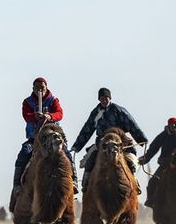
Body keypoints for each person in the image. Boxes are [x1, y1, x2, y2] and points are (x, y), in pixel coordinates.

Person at [11, 77, 78, 209]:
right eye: (37, 87)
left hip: (52, 135)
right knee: (24, 152)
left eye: (42, 87)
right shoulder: (27, 102)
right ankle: (17, 185)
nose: (40, 90)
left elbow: (60, 113)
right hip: (34, 138)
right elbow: (26, 115)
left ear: (46, 87)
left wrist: (50, 116)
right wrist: (34, 116)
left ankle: (73, 180)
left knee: (65, 152)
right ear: (33, 88)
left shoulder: (53, 100)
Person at [70, 87, 148, 191]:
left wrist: (141, 138)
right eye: (102, 98)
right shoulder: (96, 113)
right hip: (102, 144)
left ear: (110, 98)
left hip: (120, 142)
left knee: (131, 162)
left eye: (106, 98)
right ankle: (86, 183)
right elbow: (87, 129)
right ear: (99, 99)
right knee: (90, 160)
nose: (104, 100)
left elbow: (132, 124)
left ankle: (134, 182)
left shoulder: (118, 110)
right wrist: (77, 146)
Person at [138, 117, 176, 207]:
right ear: (168, 126)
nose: (174, 126)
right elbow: (153, 148)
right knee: (153, 181)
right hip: (166, 164)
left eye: (175, 124)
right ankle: (150, 199)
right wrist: (146, 158)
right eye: (172, 124)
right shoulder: (163, 135)